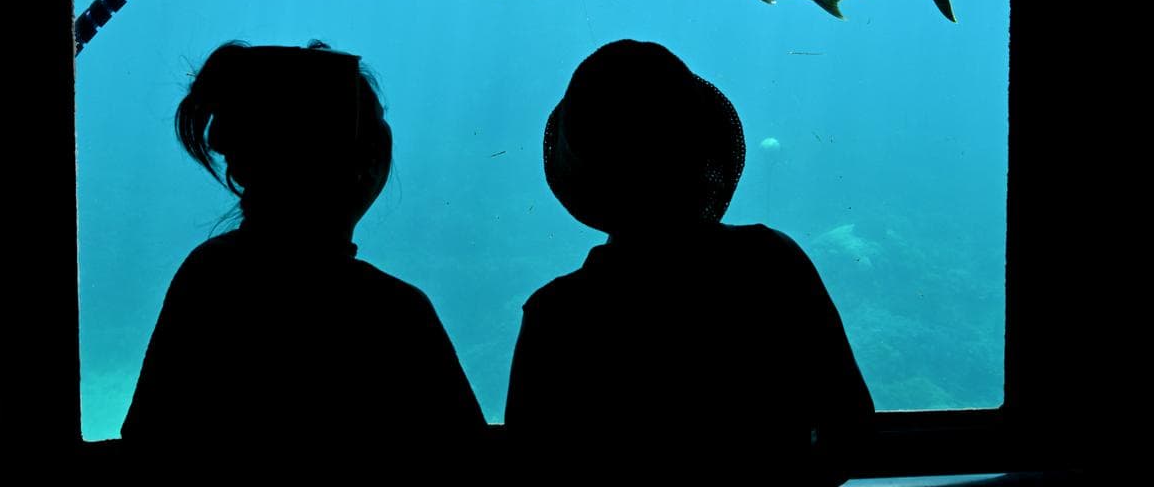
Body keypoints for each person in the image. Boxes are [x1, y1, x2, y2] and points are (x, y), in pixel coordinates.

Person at [505, 39, 874, 484]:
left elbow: (530, 475)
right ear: (704, 154)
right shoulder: (774, 264)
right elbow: (851, 431)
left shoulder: (556, 314)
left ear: (580, 178)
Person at [120, 40, 486, 465]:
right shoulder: (396, 312)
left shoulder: (207, 274)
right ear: (362, 162)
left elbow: (148, 438)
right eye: (375, 126)